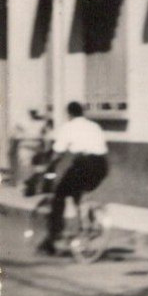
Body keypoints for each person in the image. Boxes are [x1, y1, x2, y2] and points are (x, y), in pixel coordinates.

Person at [41, 102, 109, 255]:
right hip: (102, 165)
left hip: (84, 164)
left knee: (60, 195)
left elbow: (58, 151)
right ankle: (89, 221)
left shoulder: (69, 127)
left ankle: (54, 236)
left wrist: (49, 165)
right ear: (82, 112)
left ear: (69, 114)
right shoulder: (94, 126)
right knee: (79, 193)